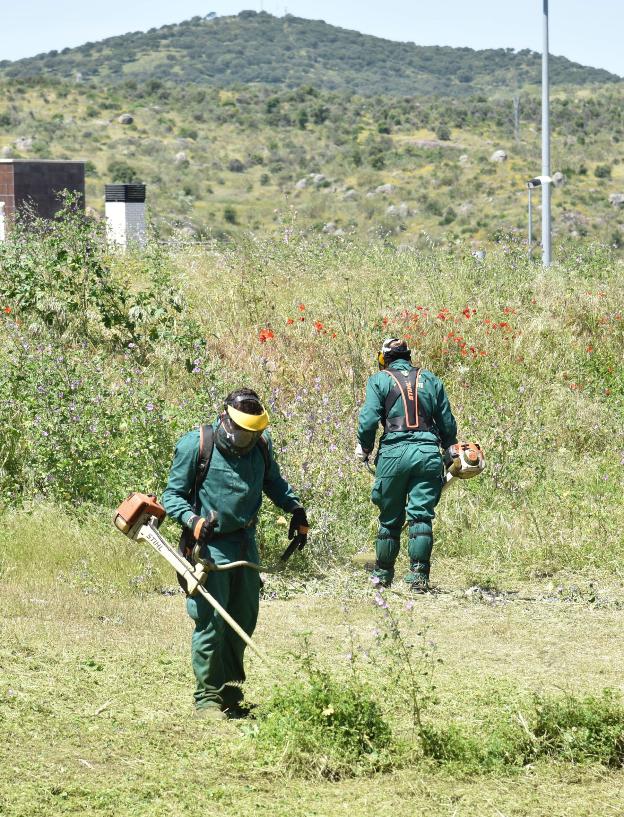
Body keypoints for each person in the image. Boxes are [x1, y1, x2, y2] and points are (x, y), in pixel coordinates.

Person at [163, 388, 308, 719]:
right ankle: (207, 696)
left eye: (254, 432)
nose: (248, 438)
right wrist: (194, 521)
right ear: (225, 420)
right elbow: (172, 496)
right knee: (212, 620)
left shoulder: (261, 445)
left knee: (243, 616)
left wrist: (295, 509)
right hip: (208, 549)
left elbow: (274, 483)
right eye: (243, 432)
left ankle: (228, 686)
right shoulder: (197, 445)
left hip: (245, 544)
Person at [355, 338, 458, 592]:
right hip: (427, 453)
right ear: (408, 356)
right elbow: (446, 421)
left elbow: (368, 420)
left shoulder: (378, 380)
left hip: (394, 454)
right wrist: (450, 447)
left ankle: (382, 575)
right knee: (421, 516)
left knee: (390, 518)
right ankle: (419, 577)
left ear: (384, 359)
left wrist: (364, 447)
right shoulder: (431, 379)